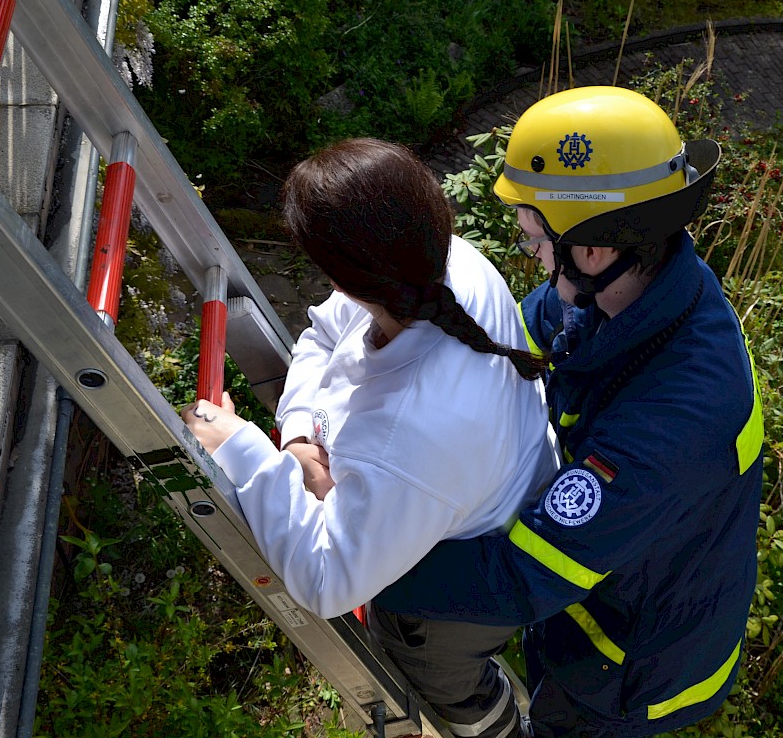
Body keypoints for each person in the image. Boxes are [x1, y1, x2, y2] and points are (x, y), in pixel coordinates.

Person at [373, 86, 765, 737]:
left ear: (592, 249)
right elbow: (516, 352)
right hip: (597, 594)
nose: (532, 257)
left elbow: (523, 577)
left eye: (533, 242)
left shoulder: (680, 414)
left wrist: (348, 559)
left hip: (629, 669)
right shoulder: (611, 296)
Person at [181, 138, 556, 738]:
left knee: (428, 664)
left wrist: (240, 448)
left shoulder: (411, 430)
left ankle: (498, 726)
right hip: (486, 489)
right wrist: (299, 436)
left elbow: (329, 580)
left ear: (343, 274)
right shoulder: (448, 264)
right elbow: (324, 335)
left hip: (471, 578)